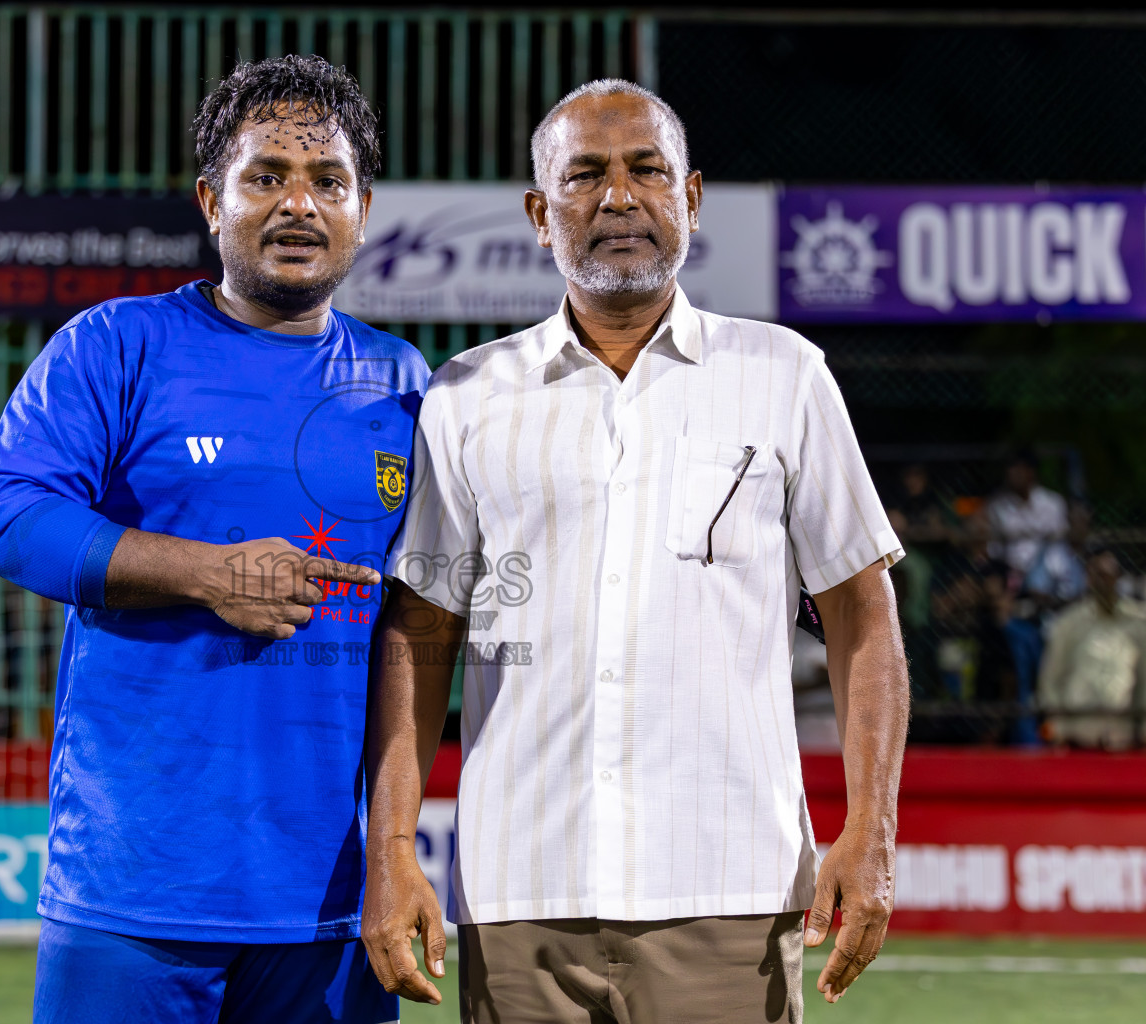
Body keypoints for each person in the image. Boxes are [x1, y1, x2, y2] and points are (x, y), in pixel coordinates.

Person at [361, 79, 910, 1021]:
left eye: (645, 170)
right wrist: (392, 850)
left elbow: (864, 617)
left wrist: (873, 830)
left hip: (730, 890)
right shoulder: (466, 396)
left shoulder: (785, 376)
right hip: (519, 894)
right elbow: (420, 634)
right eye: (584, 176)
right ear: (541, 214)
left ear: (689, 197)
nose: (619, 198)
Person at [0, 55, 427, 1024]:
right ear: (212, 200)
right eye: (266, 176)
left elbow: (414, 633)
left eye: (327, 181)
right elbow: (5, 517)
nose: (298, 203)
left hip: (329, 908)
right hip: (133, 888)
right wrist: (207, 572)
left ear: (363, 207)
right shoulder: (115, 345)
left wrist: (394, 853)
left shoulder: (402, 379)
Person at [1037, 548, 1146, 749]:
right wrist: (1057, 729)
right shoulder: (1068, 623)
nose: (1104, 581)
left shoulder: (1138, 623)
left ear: (1119, 577)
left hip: (1122, 735)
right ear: (1088, 577)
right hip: (1078, 734)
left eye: (1109, 575)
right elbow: (1050, 680)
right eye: (1098, 575)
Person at [987, 450, 1068, 577]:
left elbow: (1058, 536)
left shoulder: (1053, 502)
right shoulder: (998, 506)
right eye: (1010, 469)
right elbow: (994, 546)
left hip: (1049, 570)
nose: (1012, 474)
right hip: (1011, 571)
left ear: (1031, 472)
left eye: (1018, 469)